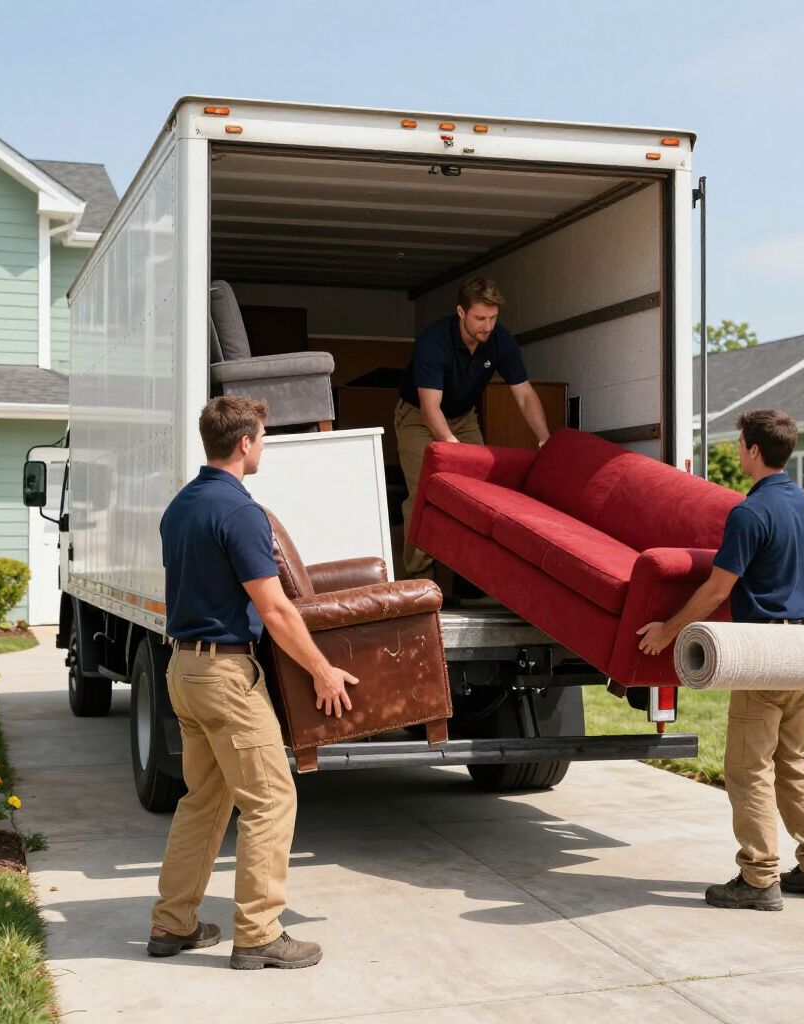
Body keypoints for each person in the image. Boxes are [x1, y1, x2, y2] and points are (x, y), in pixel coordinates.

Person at [147, 395, 358, 969]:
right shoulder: (239, 511)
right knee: (270, 798)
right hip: (223, 674)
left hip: (183, 669)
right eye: (262, 438)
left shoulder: (181, 506)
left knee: (204, 800)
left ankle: (172, 925)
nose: (262, 446)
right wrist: (322, 668)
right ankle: (259, 935)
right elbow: (276, 608)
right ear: (244, 443)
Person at [636, 409, 804, 911]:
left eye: (739, 443)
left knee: (748, 767)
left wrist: (667, 629)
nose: (737, 450)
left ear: (752, 449)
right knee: (792, 760)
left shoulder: (750, 513)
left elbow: (716, 589)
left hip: (766, 650)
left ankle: (758, 878)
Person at [395, 276, 551, 581]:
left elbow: (524, 394)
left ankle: (469, 579)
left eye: (493, 318)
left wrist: (545, 439)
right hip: (418, 418)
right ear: (461, 312)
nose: (487, 326)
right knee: (425, 491)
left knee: (478, 494)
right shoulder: (434, 341)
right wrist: (456, 451)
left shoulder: (500, 340)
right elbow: (430, 409)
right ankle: (419, 580)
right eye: (480, 318)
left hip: (464, 418)